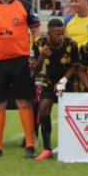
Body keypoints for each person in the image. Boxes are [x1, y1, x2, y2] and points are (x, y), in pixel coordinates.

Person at [0, 0, 41, 159]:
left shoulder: (25, 6)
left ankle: (29, 145)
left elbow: (36, 31)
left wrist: (35, 51)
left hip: (21, 61)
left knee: (23, 101)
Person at [30, 18, 78, 161]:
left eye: (62, 33)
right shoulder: (39, 44)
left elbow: (75, 65)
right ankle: (47, 149)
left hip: (69, 82)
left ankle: (74, 146)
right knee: (43, 108)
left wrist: (63, 81)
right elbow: (35, 71)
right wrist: (43, 56)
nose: (61, 36)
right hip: (49, 82)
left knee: (72, 114)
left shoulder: (71, 44)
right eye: (57, 34)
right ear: (49, 33)